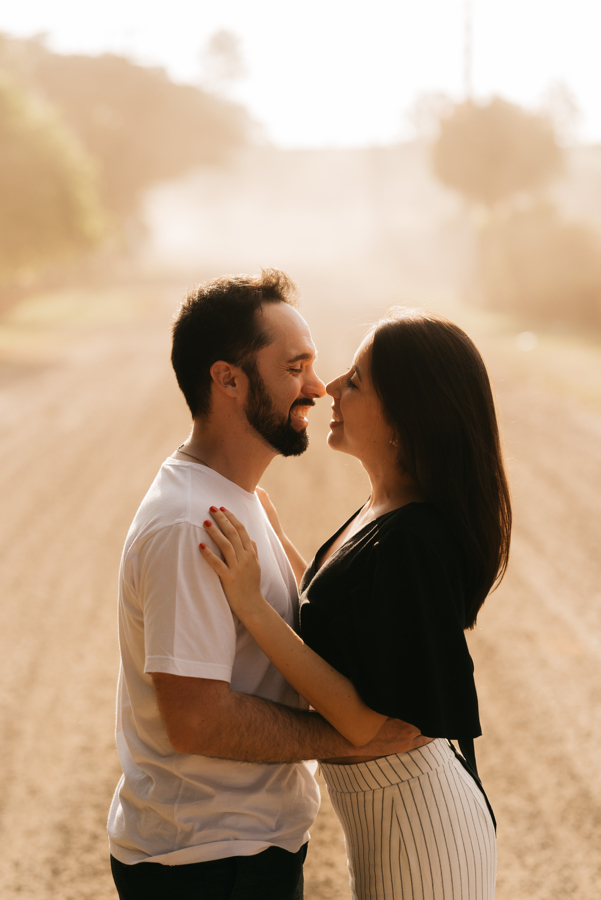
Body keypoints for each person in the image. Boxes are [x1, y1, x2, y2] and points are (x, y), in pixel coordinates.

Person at [107, 271, 428, 900]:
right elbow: (197, 721)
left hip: (239, 852)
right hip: (205, 864)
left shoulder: (239, 498)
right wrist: (353, 740)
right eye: (294, 368)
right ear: (227, 379)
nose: (316, 387)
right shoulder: (190, 524)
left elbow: (309, 621)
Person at [200, 306, 512, 900]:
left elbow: (364, 721)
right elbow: (341, 613)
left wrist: (252, 604)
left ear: (405, 417)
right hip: (395, 820)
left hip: (422, 827)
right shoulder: (386, 509)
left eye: (358, 381)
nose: (332, 388)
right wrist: (275, 537)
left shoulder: (414, 540)